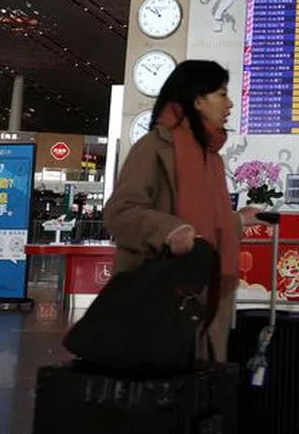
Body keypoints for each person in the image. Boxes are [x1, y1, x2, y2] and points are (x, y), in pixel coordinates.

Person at [104, 60, 260, 363]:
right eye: (221, 94)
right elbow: (120, 212)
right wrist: (168, 231)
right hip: (162, 300)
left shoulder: (210, 157)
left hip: (207, 297)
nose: (229, 104)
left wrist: (238, 220)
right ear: (198, 100)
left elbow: (205, 224)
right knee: (163, 392)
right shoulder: (153, 148)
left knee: (197, 391)